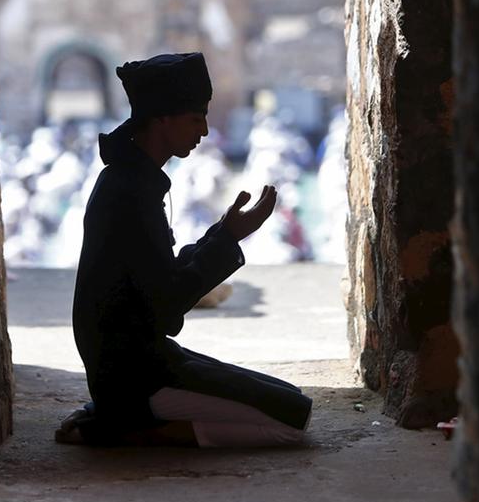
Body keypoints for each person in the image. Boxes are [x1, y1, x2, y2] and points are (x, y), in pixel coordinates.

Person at [57, 52, 312, 447]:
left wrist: (224, 233)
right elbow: (167, 301)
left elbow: (157, 276)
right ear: (162, 119)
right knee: (289, 423)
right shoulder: (129, 193)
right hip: (132, 375)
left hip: (139, 359)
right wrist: (227, 241)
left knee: (293, 399)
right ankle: (123, 426)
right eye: (196, 119)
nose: (206, 131)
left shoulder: (130, 181)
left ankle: (109, 414)